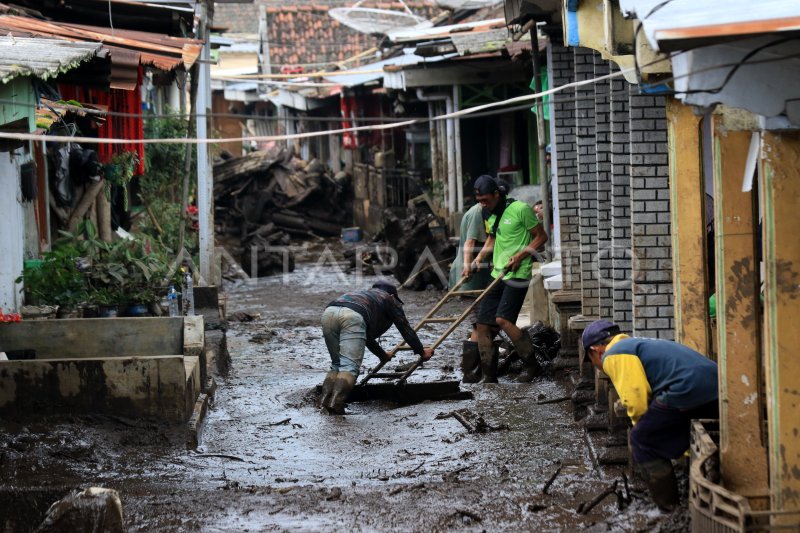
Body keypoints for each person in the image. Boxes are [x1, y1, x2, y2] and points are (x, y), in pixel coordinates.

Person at [581, 320, 719, 511]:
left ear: (595, 350)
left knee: (642, 439)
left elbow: (636, 402)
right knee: (677, 433)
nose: (598, 366)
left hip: (687, 388)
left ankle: (669, 510)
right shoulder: (637, 344)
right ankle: (691, 478)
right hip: (715, 387)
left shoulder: (613, 354)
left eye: (592, 361)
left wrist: (642, 432)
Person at [468, 175, 548, 383]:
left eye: (486, 199)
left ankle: (531, 365)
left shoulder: (520, 209)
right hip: (498, 273)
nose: (482, 204)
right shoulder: (489, 213)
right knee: (483, 325)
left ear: (497, 194)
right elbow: (493, 238)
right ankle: (489, 375)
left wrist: (520, 256)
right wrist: (478, 258)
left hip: (518, 273)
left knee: (502, 320)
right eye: (479, 201)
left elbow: (541, 237)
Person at [320, 281, 434, 414]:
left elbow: (366, 338)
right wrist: (421, 351)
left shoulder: (364, 295)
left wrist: (383, 356)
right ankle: (336, 404)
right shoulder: (389, 299)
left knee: (337, 364)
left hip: (329, 313)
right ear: (392, 294)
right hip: (352, 317)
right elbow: (405, 328)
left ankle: (323, 403)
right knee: (349, 367)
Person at [448, 195, 493, 383]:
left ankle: (474, 370)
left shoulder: (481, 212)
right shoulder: (477, 212)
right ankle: (470, 371)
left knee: (483, 323)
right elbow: (470, 243)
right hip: (470, 276)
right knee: (480, 324)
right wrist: (468, 265)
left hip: (475, 275)